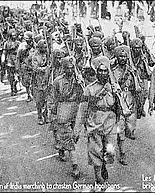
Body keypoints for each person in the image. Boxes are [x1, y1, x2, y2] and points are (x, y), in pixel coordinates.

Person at [74, 56, 119, 185]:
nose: (103, 73)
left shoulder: (114, 87)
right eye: (100, 71)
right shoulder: (89, 89)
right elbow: (82, 110)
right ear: (96, 72)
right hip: (94, 122)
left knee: (109, 150)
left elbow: (120, 106)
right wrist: (77, 130)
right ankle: (98, 177)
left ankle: (103, 164)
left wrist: (117, 93)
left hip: (110, 122)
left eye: (105, 71)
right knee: (95, 150)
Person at [49, 56, 84, 179]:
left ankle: (62, 147)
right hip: (63, 109)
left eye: (72, 68)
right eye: (68, 68)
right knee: (69, 138)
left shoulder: (79, 79)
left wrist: (81, 84)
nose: (70, 70)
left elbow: (84, 95)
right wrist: (53, 114)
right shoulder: (58, 81)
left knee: (75, 136)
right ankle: (75, 166)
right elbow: (52, 98)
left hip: (76, 109)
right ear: (63, 69)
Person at [111, 45, 139, 165]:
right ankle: (122, 153)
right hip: (119, 102)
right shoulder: (113, 71)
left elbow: (138, 88)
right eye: (120, 56)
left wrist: (134, 75)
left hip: (130, 100)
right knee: (120, 129)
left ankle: (123, 138)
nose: (123, 58)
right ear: (117, 58)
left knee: (130, 127)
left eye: (125, 56)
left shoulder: (132, 70)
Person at [130, 38, 151, 119]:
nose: (137, 49)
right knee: (134, 94)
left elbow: (152, 63)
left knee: (144, 94)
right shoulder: (129, 56)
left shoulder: (144, 55)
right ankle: (136, 109)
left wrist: (145, 60)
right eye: (135, 48)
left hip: (143, 77)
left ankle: (141, 107)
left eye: (138, 48)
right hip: (133, 78)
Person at [30, 40, 49, 125]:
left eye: (46, 47)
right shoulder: (35, 56)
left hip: (47, 79)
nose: (45, 49)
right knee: (39, 100)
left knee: (47, 98)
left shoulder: (48, 54)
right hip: (38, 80)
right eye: (43, 47)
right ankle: (39, 115)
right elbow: (35, 68)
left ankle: (46, 115)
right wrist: (45, 69)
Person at [16, 31, 35, 102]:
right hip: (25, 66)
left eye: (29, 39)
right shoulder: (22, 46)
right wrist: (18, 67)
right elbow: (18, 57)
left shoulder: (34, 45)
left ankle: (33, 93)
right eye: (26, 39)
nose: (28, 40)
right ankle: (28, 94)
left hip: (33, 65)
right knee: (26, 81)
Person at [2, 29, 21, 96]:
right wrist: (3, 58)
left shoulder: (18, 43)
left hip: (17, 60)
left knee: (18, 76)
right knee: (11, 76)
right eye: (13, 35)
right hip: (10, 60)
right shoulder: (6, 43)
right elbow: (4, 52)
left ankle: (15, 85)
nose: (14, 36)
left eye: (15, 35)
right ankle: (12, 88)